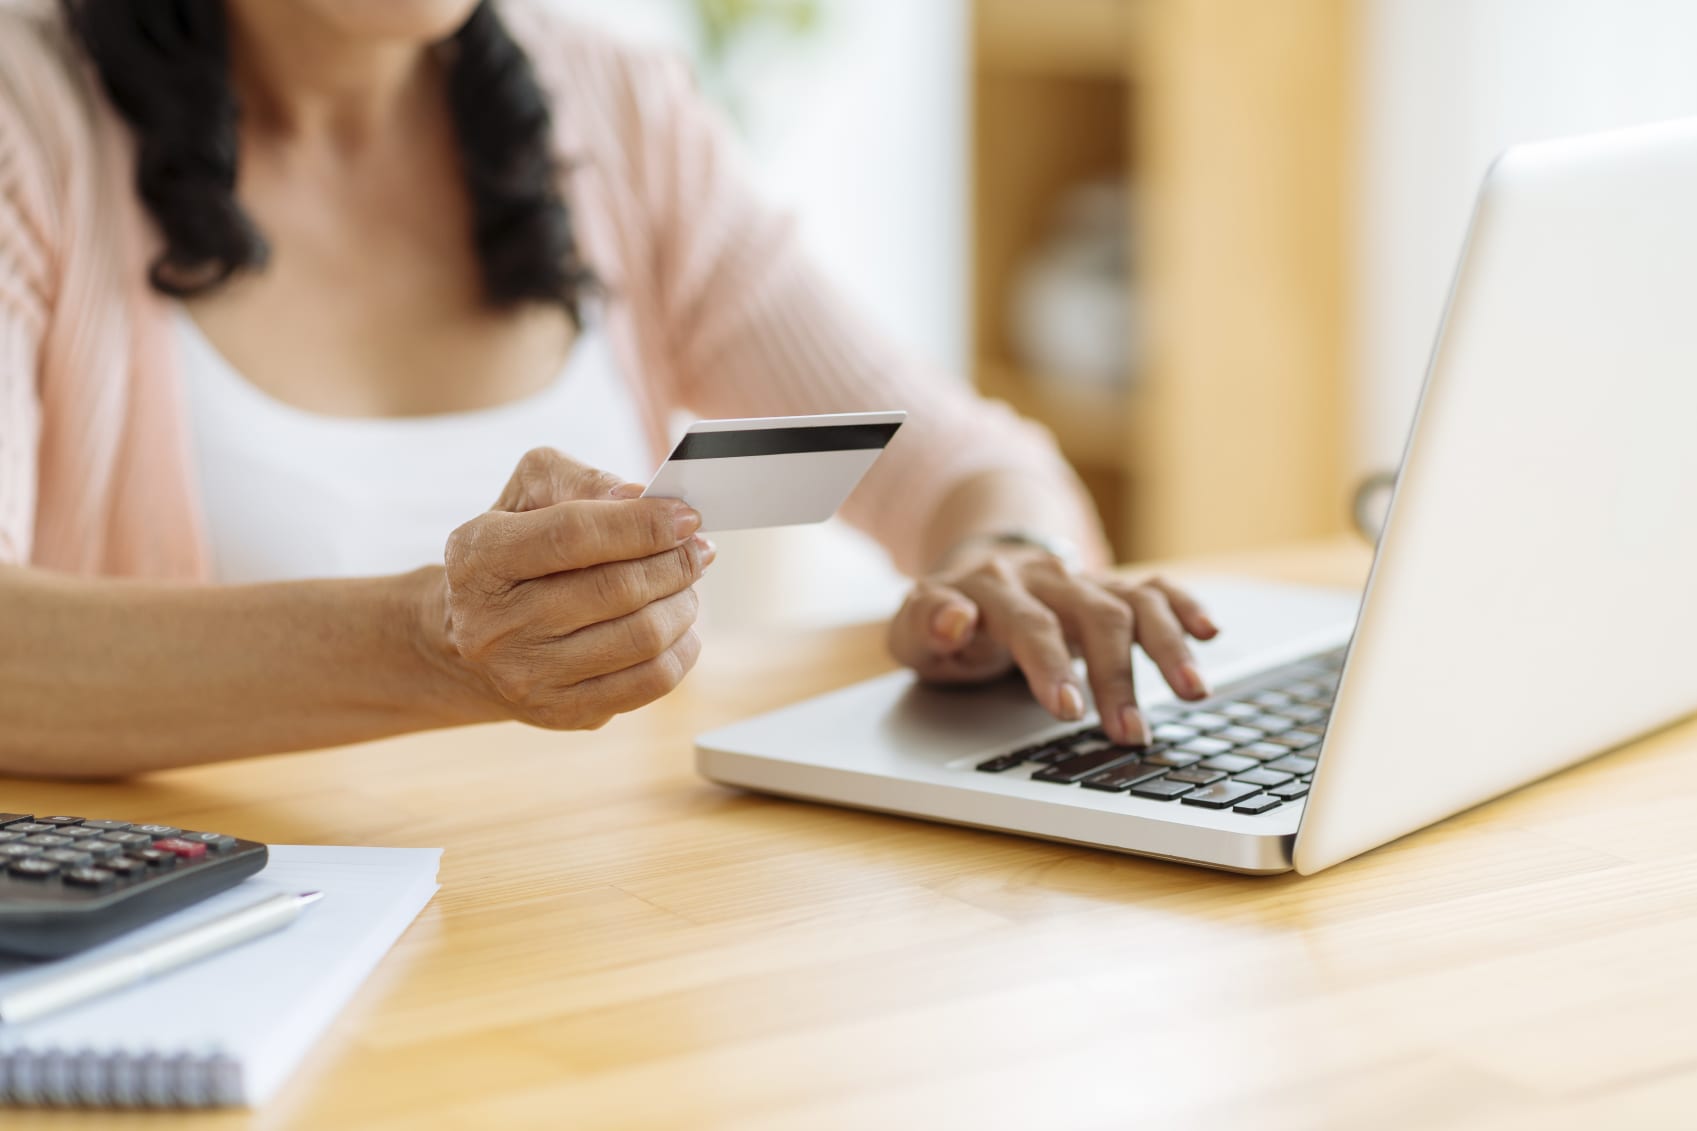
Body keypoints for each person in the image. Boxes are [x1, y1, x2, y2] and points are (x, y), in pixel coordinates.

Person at [0, 0, 1218, 778]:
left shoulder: (615, 112)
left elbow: (962, 461)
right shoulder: (29, 117)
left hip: (597, 931)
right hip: (223, 970)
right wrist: (435, 644)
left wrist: (1005, 560)